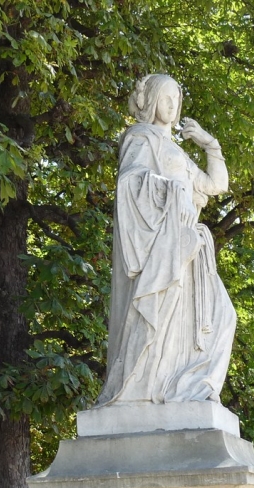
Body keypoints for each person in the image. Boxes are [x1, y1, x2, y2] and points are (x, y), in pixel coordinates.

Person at [95, 73, 236, 406]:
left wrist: (209, 144)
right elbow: (131, 182)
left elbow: (217, 185)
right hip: (162, 248)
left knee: (224, 316)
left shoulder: (178, 152)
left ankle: (187, 389)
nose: (173, 106)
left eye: (177, 99)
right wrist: (173, 193)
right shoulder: (141, 137)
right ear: (153, 100)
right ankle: (156, 392)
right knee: (164, 326)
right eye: (167, 98)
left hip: (187, 248)